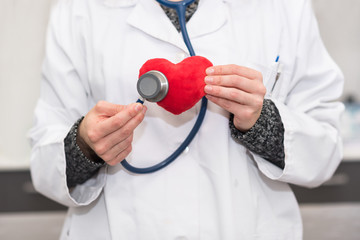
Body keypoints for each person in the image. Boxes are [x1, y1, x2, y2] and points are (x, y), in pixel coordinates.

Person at [29, 0, 344, 239]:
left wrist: (262, 122)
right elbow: (45, 162)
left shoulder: (281, 7)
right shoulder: (80, 9)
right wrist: (85, 145)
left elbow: (324, 147)